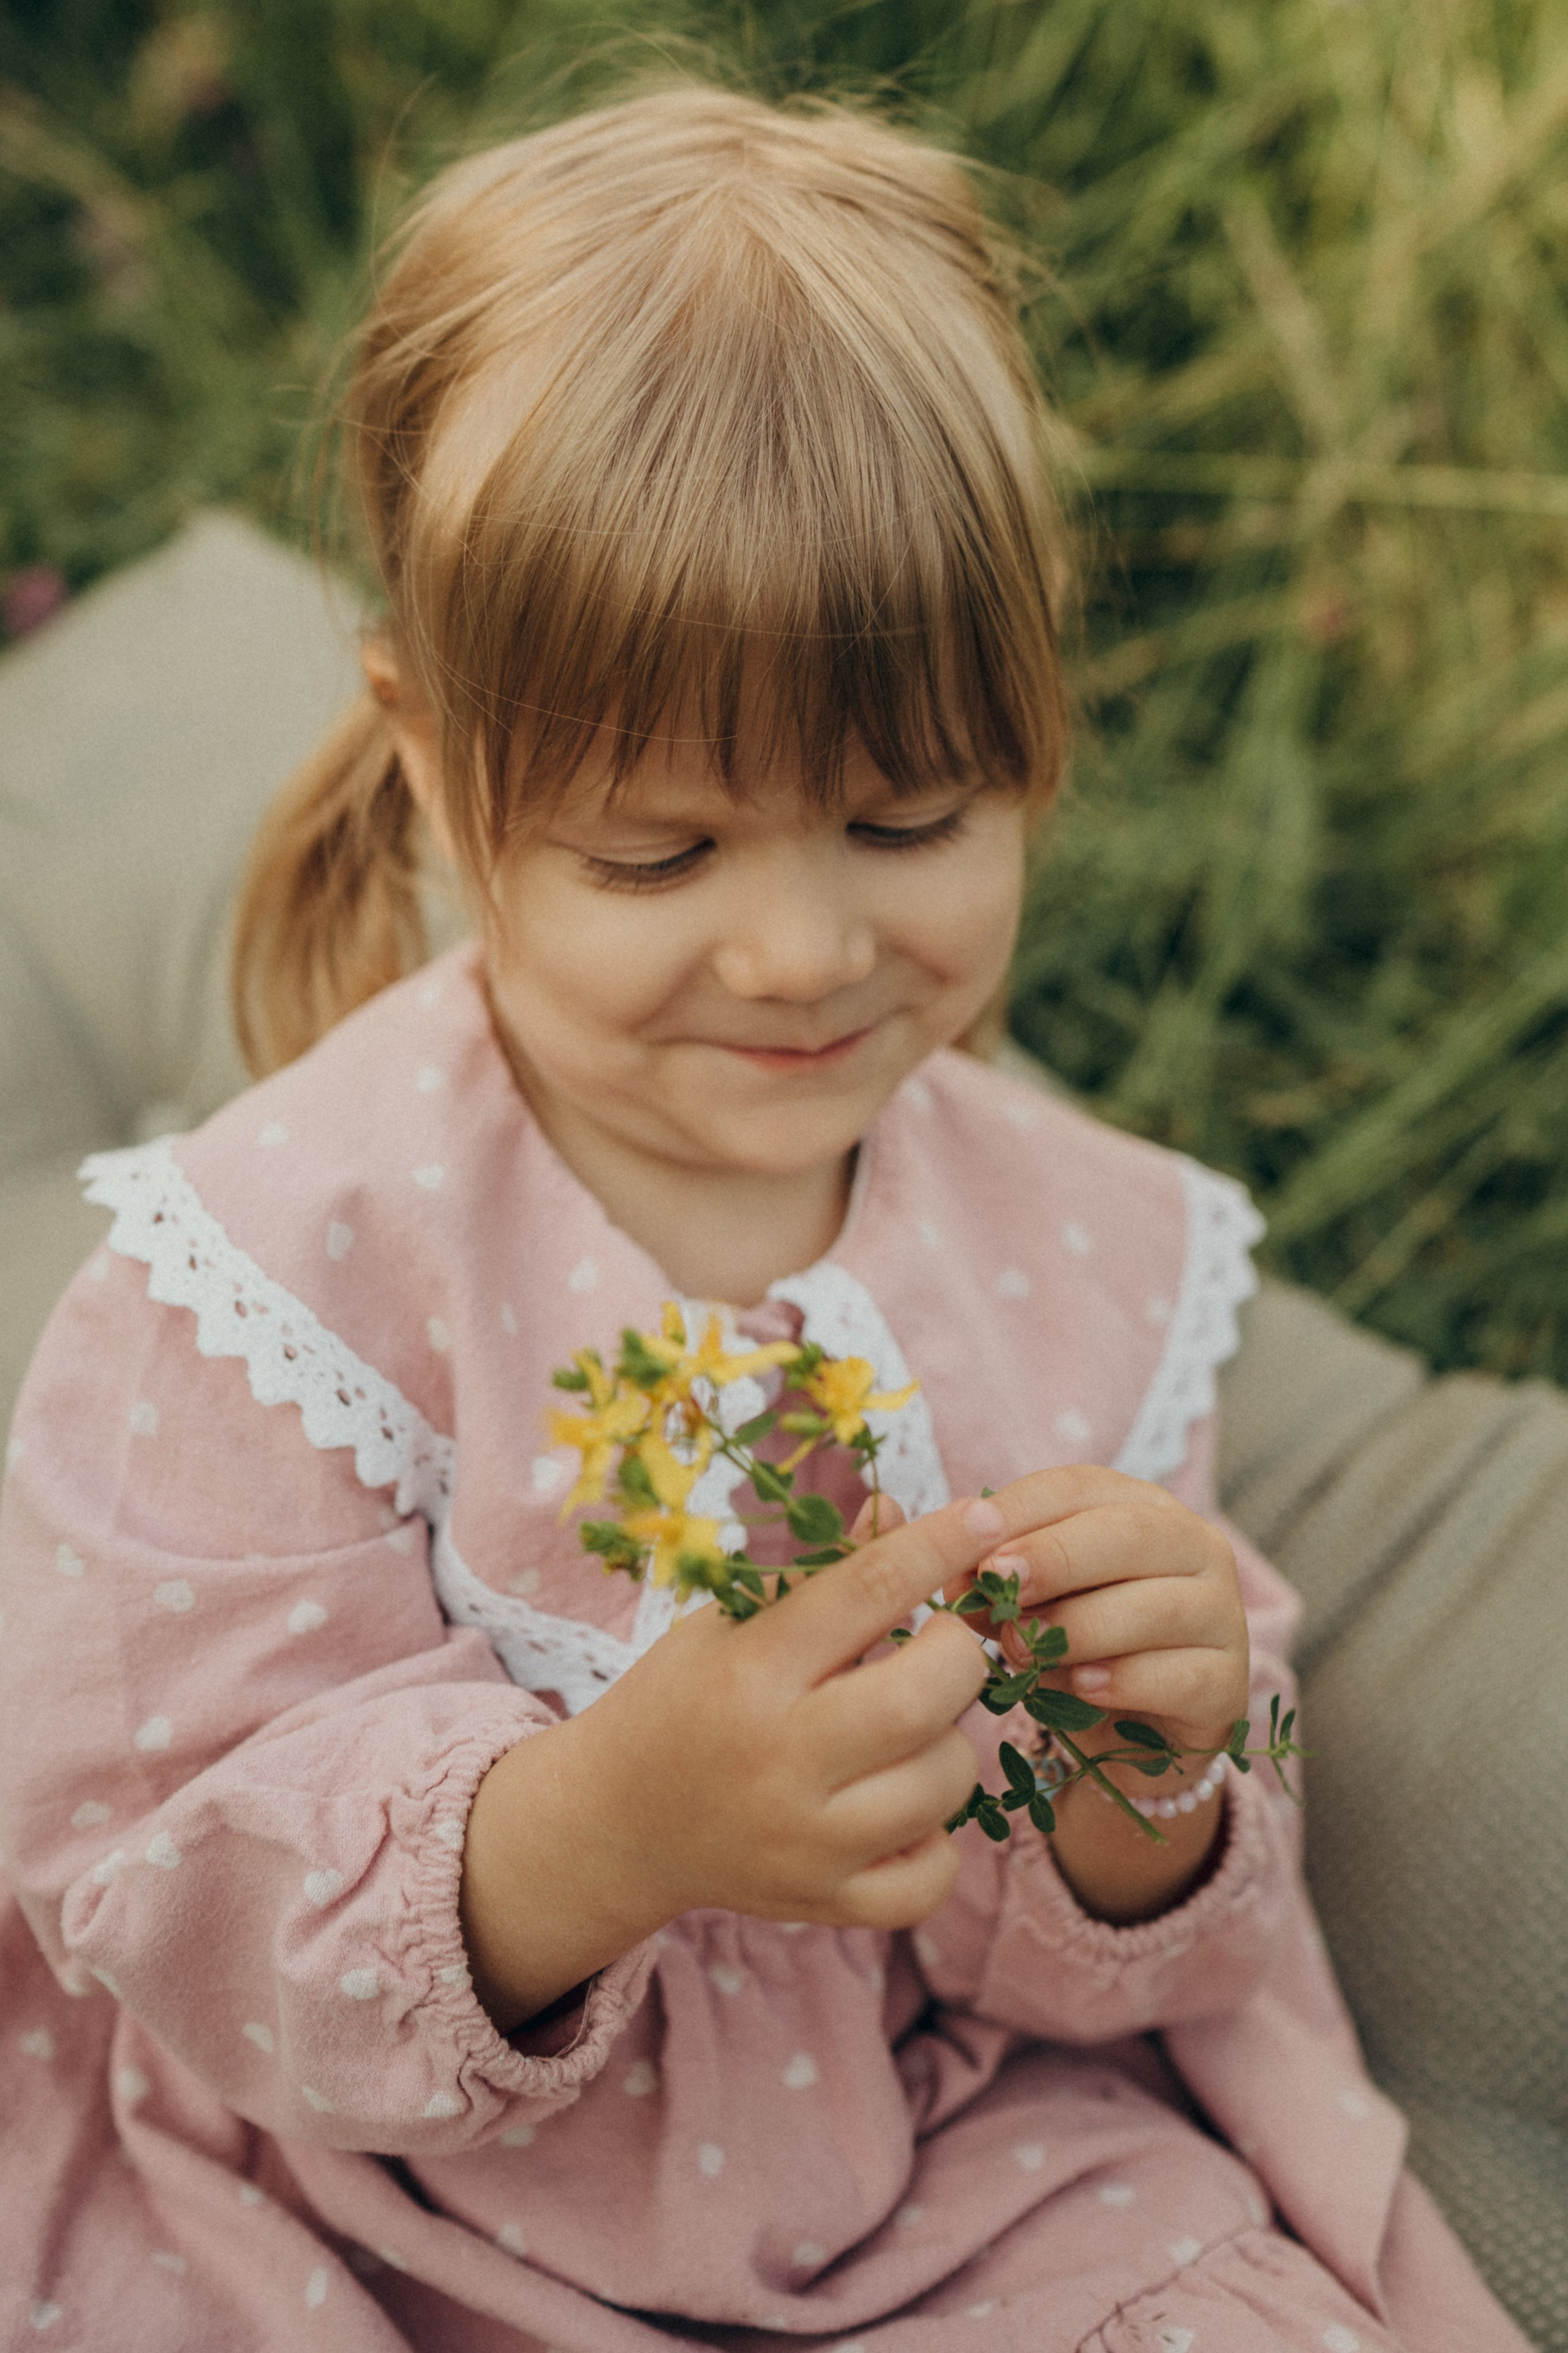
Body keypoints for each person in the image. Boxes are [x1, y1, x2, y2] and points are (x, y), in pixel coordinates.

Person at [0, 86, 1528, 2353]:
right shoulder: (273, 1277)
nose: (807, 951)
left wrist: (1152, 1779)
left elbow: (1130, 1947)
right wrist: (600, 1830)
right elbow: (171, 1901)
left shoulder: (1084, 1258)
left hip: (960, 2162)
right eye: (663, 855)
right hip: (396, 2204)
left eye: (911, 814)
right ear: (432, 767)